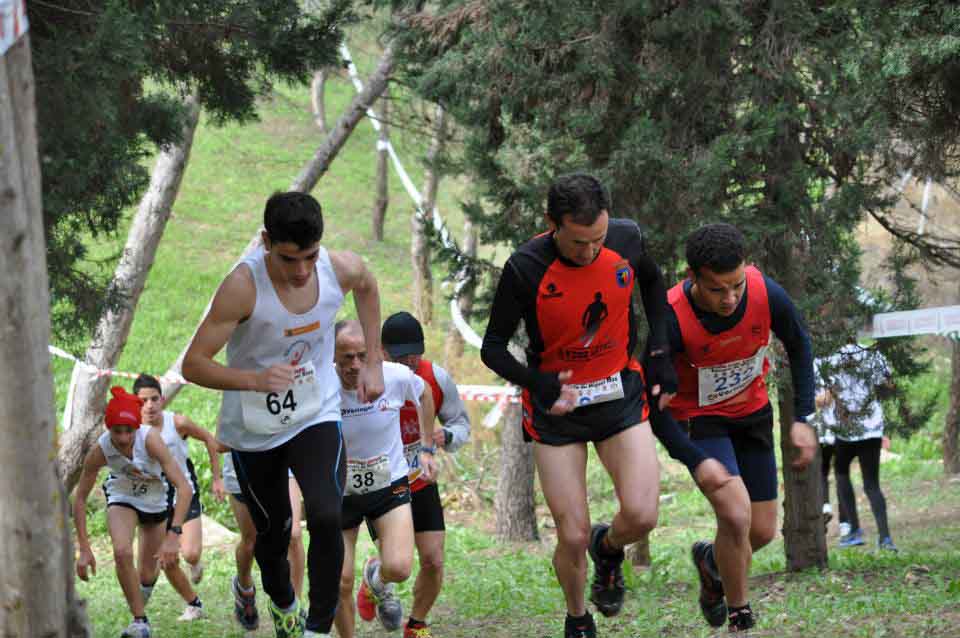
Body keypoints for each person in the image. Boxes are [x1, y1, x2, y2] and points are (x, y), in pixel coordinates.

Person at [480, 173, 725, 638]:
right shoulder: (526, 267)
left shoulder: (626, 238)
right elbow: (492, 347)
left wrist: (658, 351)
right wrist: (536, 382)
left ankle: (608, 549)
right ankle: (578, 617)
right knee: (570, 535)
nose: (590, 251)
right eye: (577, 242)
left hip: (618, 395)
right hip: (557, 411)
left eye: (597, 239)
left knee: (642, 515)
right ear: (552, 223)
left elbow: (652, 287)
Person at [182, 191, 385, 638]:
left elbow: (368, 287)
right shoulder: (243, 286)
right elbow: (193, 364)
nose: (301, 271)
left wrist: (373, 361)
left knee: (328, 515)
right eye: (289, 259)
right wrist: (254, 380)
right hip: (255, 426)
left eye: (310, 257)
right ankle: (283, 602)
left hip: (315, 411)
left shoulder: (339, 268)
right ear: (266, 241)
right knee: (273, 534)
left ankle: (316, 627)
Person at [663, 223, 817, 633]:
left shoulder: (765, 292)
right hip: (702, 419)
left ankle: (713, 563)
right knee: (735, 515)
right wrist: (691, 457)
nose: (731, 298)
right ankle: (740, 616)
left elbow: (800, 345)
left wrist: (803, 418)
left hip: (753, 415)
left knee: (762, 530)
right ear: (692, 276)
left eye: (736, 286)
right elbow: (654, 402)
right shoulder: (672, 317)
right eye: (718, 290)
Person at [332, 319, 438, 638]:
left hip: (388, 484)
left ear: (376, 354)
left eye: (362, 356)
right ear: (331, 356)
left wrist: (427, 447)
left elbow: (426, 394)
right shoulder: (319, 384)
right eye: (346, 357)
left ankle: (375, 578)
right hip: (338, 491)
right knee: (339, 580)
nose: (354, 365)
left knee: (400, 568)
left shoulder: (394, 376)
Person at [73, 387, 195, 638]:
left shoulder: (150, 440)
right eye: (117, 431)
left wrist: (174, 534)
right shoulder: (101, 450)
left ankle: (144, 601)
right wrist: (84, 547)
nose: (124, 437)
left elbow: (184, 488)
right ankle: (140, 622)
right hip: (123, 496)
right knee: (122, 551)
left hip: (155, 502)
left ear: (137, 428)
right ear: (108, 429)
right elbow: (81, 498)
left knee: (148, 574)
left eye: (129, 430)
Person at [379, 311, 472, 638]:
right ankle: (374, 579)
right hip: (383, 484)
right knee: (394, 564)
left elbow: (461, 423)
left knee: (433, 559)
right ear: (382, 352)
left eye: (415, 353)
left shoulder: (436, 377)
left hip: (420, 479)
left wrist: (446, 436)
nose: (410, 362)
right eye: (401, 356)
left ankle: (416, 624)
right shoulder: (369, 379)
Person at [133, 373, 224, 599]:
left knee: (191, 554)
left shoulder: (178, 423)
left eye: (154, 399)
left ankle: (194, 564)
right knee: (164, 560)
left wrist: (216, 477)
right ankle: (192, 603)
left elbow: (209, 439)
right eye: (143, 401)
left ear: (162, 400)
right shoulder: (131, 430)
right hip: (155, 500)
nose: (150, 405)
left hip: (184, 492)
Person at [817, 343, 897, 551]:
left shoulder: (826, 358)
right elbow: (889, 385)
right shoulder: (871, 353)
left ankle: (853, 530)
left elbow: (821, 399)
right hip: (871, 428)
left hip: (846, 429)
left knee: (841, 473)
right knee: (872, 484)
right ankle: (885, 538)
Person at [222, 452, 308, 631]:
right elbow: (220, 441)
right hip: (242, 461)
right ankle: (244, 588)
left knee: (293, 534)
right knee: (251, 541)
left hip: (282, 453)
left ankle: (292, 613)